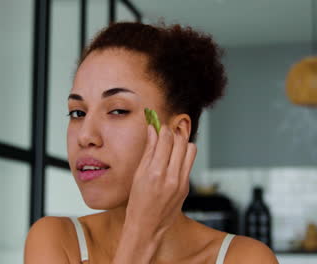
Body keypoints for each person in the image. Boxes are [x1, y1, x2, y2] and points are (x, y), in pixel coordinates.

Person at [24, 22, 279, 264]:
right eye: (78, 113)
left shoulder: (246, 259)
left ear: (177, 133)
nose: (85, 136)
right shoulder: (57, 240)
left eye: (118, 110)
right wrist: (138, 236)